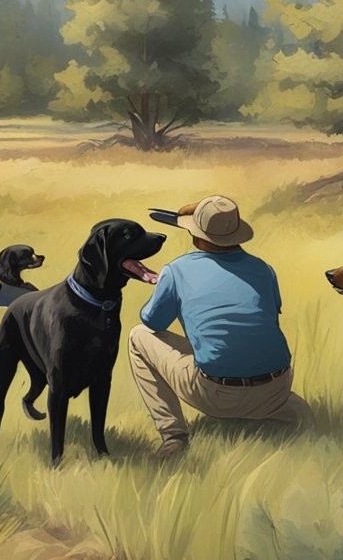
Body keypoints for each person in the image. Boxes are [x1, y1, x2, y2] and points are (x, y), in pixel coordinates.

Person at [129, 195, 312, 458]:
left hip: (216, 395)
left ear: (196, 236)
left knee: (138, 336)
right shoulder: (264, 269)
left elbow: (152, 322)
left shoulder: (177, 270)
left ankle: (173, 436)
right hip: (276, 388)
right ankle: (281, 413)